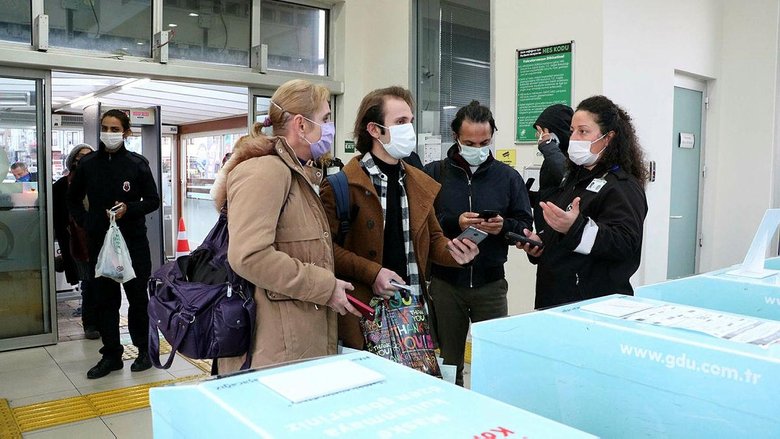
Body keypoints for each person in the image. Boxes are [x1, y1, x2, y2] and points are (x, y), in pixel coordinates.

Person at [212, 79, 360, 374]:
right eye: (326, 119)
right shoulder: (266, 171)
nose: (330, 128)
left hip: (295, 337)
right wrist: (325, 287)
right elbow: (249, 256)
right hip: (274, 348)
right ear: (301, 125)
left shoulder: (298, 173)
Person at [319, 85, 480, 355]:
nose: (409, 130)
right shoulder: (342, 186)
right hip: (363, 315)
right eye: (400, 122)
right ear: (374, 130)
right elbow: (325, 250)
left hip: (413, 315)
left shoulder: (418, 183)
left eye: (411, 121)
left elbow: (433, 238)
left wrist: (456, 252)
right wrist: (373, 273)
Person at [423, 100, 533, 386]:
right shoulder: (435, 173)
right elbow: (424, 219)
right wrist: (454, 222)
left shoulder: (508, 178)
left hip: (491, 285)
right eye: (469, 142)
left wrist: (504, 226)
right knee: (449, 363)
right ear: (456, 138)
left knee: (493, 361)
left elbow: (524, 223)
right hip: (446, 284)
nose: (477, 148)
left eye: (484, 141)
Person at [519, 95, 648, 309]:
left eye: (584, 131)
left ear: (608, 138)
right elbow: (565, 230)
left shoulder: (621, 185)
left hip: (592, 304)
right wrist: (541, 243)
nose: (575, 138)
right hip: (555, 297)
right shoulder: (574, 178)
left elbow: (625, 244)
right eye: (572, 131)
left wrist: (576, 228)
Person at [67, 109, 161, 379]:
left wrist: (128, 209)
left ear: (126, 132)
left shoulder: (137, 164)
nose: (109, 134)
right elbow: (72, 200)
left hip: (133, 243)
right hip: (101, 243)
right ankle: (111, 355)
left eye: (115, 129)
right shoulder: (88, 164)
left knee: (137, 299)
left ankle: (143, 351)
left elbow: (152, 200)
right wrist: (87, 222)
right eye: (105, 128)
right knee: (105, 301)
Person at [53, 144, 99, 339]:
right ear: (72, 161)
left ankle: (103, 322)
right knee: (88, 282)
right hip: (76, 242)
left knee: (101, 282)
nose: (83, 160)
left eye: (88, 157)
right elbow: (56, 216)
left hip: (99, 239)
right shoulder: (61, 186)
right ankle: (90, 324)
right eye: (79, 157)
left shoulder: (99, 181)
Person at [531, 104, 573, 230]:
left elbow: (567, 177)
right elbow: (550, 194)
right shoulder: (551, 156)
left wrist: (548, 146)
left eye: (541, 132)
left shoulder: (573, 156)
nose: (538, 136)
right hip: (545, 229)